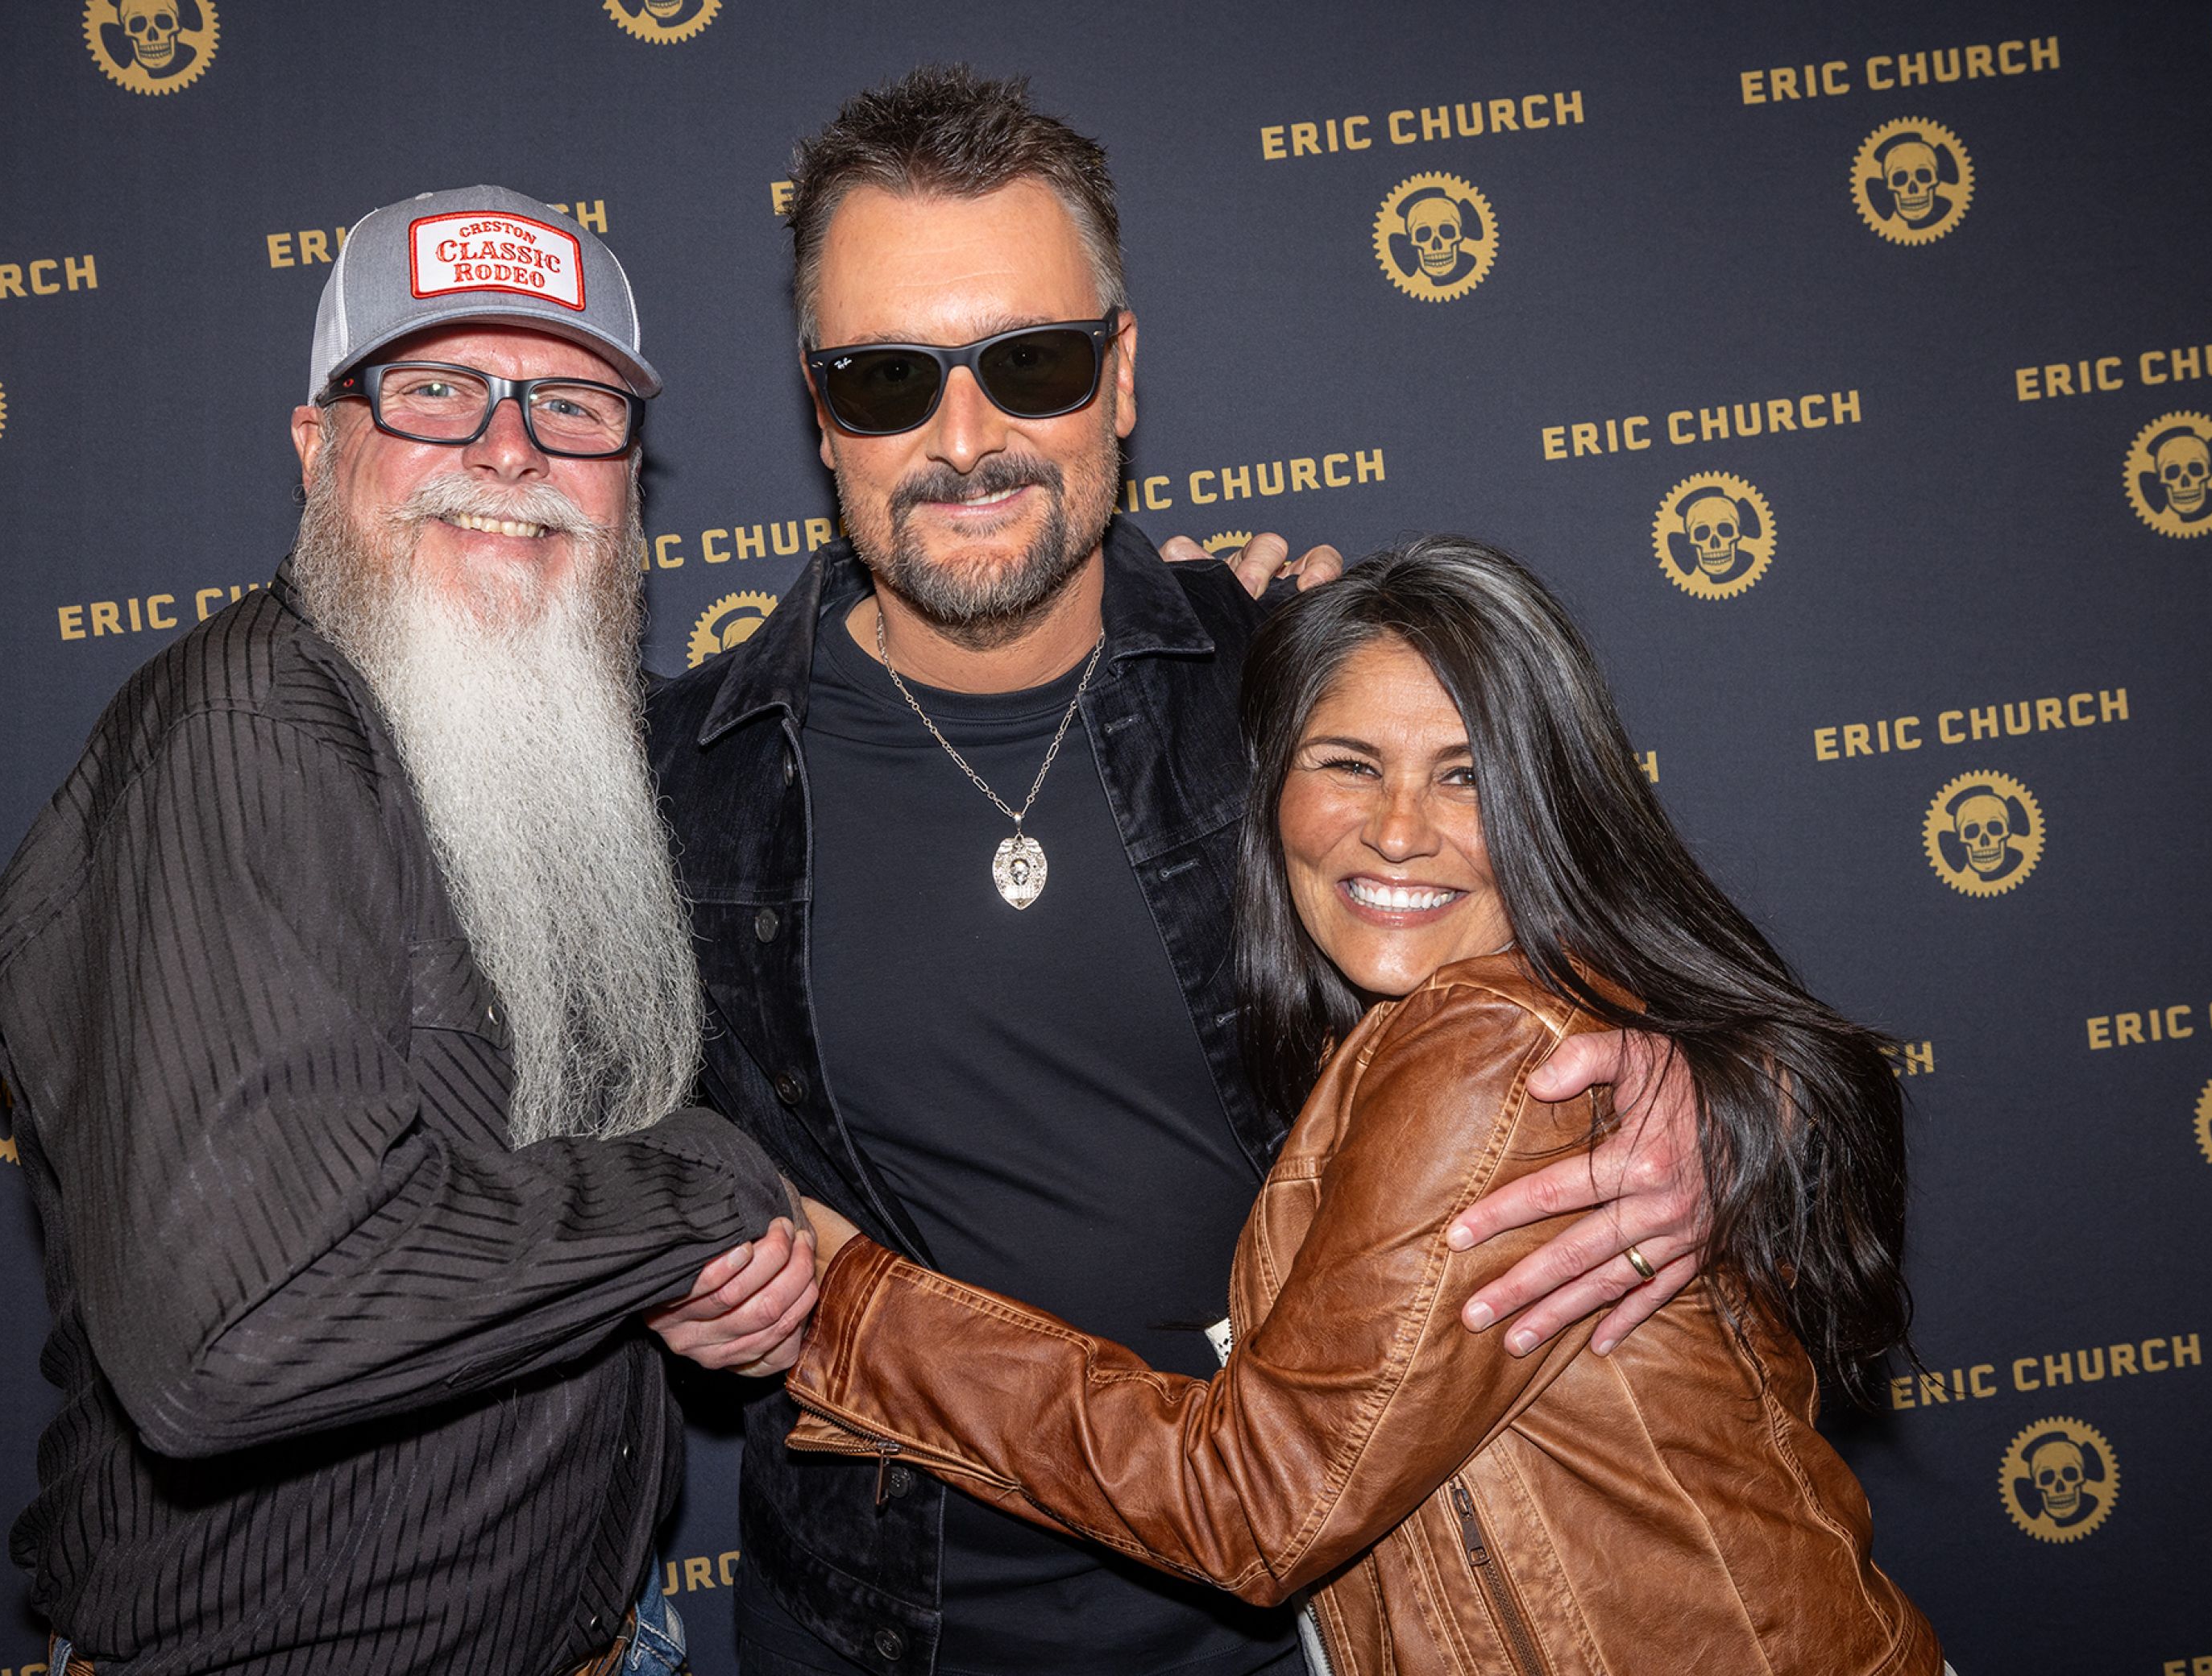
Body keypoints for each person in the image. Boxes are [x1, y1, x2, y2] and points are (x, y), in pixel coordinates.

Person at [645, 72, 1712, 1676]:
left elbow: (1643, 976)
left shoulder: (1295, 681)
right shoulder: (679, 782)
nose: (965, 440)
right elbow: (585, 1151)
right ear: (821, 410)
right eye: (887, 380)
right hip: (875, 1630)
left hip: (1331, 1616)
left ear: (1123, 373)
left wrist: (1695, 1107)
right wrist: (671, 1263)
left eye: (1034, 363)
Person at [786, 537, 1943, 1676]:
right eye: (1346, 763)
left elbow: (1251, 1506)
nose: (1396, 829)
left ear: (1554, 800)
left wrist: (845, 1304)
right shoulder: (1459, 1016)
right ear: (1267, 784)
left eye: (1464, 776)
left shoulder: (1494, 1051)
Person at [0, 186, 816, 1676]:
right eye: (434, 391)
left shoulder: (538, 736)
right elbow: (249, 1327)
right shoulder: (244, 740)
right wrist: (695, 1197)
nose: (510, 450)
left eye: (572, 406)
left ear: (630, 475)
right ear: (318, 446)